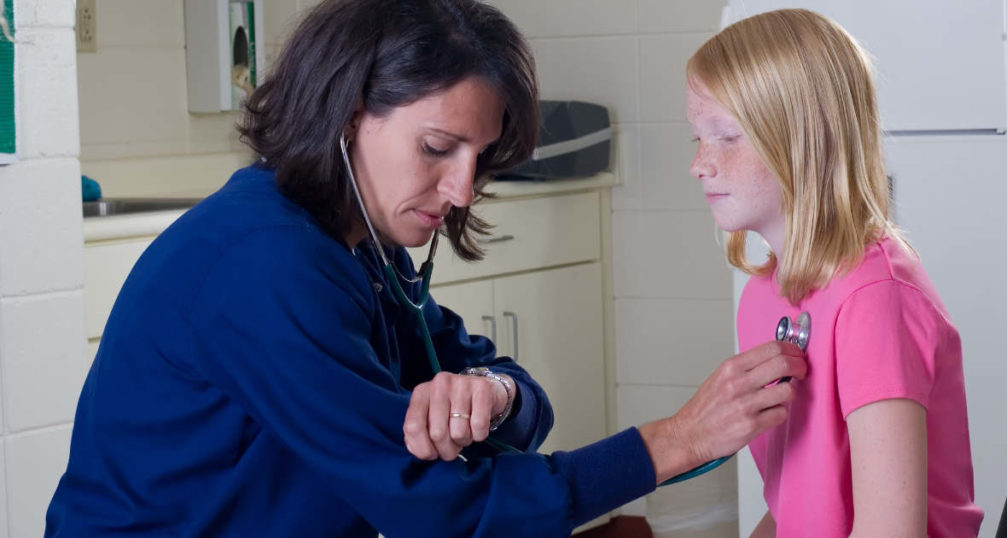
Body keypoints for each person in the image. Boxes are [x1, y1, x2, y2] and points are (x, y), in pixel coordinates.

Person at [46, 1, 806, 536]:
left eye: (480, 158)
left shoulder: (358, 249)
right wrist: (676, 440)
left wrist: (491, 395)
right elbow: (439, 509)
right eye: (439, 149)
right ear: (347, 115)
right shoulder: (262, 266)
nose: (463, 189)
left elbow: (508, 399)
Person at [685, 8, 984, 537]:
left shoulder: (874, 298)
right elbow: (791, 507)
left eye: (727, 137)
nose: (700, 163)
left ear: (807, 141)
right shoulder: (765, 295)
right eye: (697, 139)